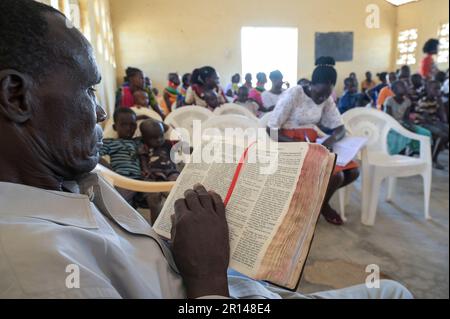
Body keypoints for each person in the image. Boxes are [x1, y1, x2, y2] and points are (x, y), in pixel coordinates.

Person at [0, 0, 414, 300]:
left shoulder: (67, 176)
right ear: (17, 97)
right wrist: (208, 280)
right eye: (89, 90)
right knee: (392, 292)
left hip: (229, 282)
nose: (102, 109)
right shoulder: (37, 267)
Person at [268, 57, 360, 226]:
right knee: (336, 176)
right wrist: (301, 146)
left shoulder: (326, 98)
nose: (322, 98)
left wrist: (330, 141)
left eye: (327, 94)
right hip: (289, 143)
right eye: (319, 94)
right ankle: (323, 206)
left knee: (353, 172)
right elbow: (271, 130)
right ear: (311, 84)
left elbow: (339, 128)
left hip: (314, 142)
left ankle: (318, 204)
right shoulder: (294, 93)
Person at [139, 119, 180, 224]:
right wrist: (145, 169)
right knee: (153, 197)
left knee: (177, 190)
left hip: (170, 172)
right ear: (144, 138)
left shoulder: (167, 144)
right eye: (154, 138)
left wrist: (163, 125)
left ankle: (178, 220)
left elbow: (179, 140)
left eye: (161, 135)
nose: (159, 139)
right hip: (152, 175)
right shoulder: (144, 146)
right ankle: (156, 225)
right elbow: (143, 159)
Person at [412, 80, 449, 169]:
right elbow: (425, 119)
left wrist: (439, 101)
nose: (438, 91)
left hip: (432, 122)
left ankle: (434, 154)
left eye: (439, 89)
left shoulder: (435, 100)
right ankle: (433, 159)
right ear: (428, 89)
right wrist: (438, 123)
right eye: (435, 89)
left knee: (446, 130)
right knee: (442, 135)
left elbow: (440, 115)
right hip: (421, 123)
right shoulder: (423, 100)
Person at [384, 81, 414, 155]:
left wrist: (408, 124)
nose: (404, 88)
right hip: (389, 124)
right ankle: (394, 154)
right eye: (402, 86)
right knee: (397, 134)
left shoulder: (407, 101)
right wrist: (400, 125)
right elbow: (388, 118)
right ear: (394, 90)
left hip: (401, 123)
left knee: (408, 130)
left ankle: (403, 153)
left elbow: (406, 117)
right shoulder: (389, 100)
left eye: (404, 86)